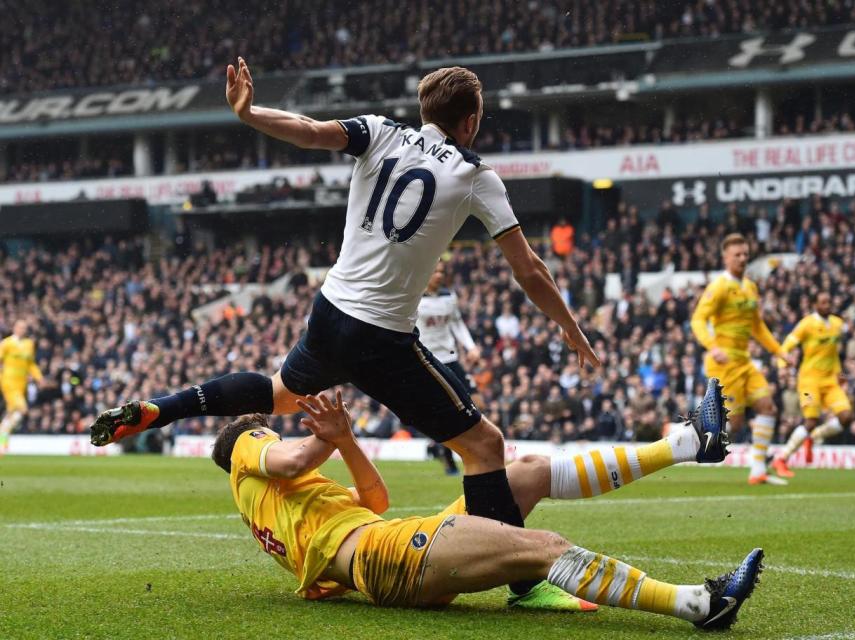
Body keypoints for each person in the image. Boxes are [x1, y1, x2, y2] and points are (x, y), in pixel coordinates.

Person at [90, 59, 599, 609]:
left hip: (330, 311)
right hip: (381, 335)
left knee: (278, 393)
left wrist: (249, 111)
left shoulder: (380, 131)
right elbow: (528, 270)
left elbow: (309, 131)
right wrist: (570, 326)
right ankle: (525, 584)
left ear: (424, 109)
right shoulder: (476, 176)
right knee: (485, 446)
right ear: (471, 121)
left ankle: (160, 410)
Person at [212, 381, 761, 630]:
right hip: (387, 558)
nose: (275, 436)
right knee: (544, 549)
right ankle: (699, 605)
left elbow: (376, 498)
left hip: (388, 544)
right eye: (268, 430)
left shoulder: (288, 503)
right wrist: (327, 438)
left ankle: (690, 444)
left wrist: (345, 441)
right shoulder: (246, 448)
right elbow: (288, 459)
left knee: (527, 472)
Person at [691, 233, 785, 486]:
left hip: (745, 362)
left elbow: (757, 327)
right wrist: (712, 346)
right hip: (724, 363)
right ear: (726, 257)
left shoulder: (750, 287)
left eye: (745, 254)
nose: (743, 258)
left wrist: (779, 351)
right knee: (736, 422)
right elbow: (698, 320)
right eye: (737, 255)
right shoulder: (719, 286)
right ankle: (684, 440)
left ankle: (757, 471)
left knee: (767, 406)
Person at [772, 291, 854, 477]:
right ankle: (781, 459)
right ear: (815, 305)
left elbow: (836, 354)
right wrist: (782, 365)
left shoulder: (837, 324)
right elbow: (787, 345)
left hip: (831, 381)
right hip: (809, 381)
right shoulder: (807, 324)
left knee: (847, 417)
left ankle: (816, 436)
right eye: (823, 302)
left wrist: (841, 374)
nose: (827, 305)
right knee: (811, 421)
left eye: (829, 302)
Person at [416, 260, 481, 475]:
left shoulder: (448, 297)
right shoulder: (413, 296)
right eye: (435, 271)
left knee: (476, 401)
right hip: (427, 360)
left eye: (442, 271)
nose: (439, 275)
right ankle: (447, 455)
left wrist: (471, 347)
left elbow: (457, 324)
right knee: (443, 411)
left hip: (450, 357)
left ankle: (446, 447)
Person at [0, 320, 45, 454]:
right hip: (8, 382)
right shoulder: (6, 343)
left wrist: (39, 378)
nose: (22, 329)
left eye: (24, 328)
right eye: (20, 327)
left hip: (21, 384)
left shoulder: (29, 344)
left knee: (12, 414)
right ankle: (2, 437)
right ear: (14, 328)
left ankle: (3, 440)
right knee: (23, 409)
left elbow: (31, 364)